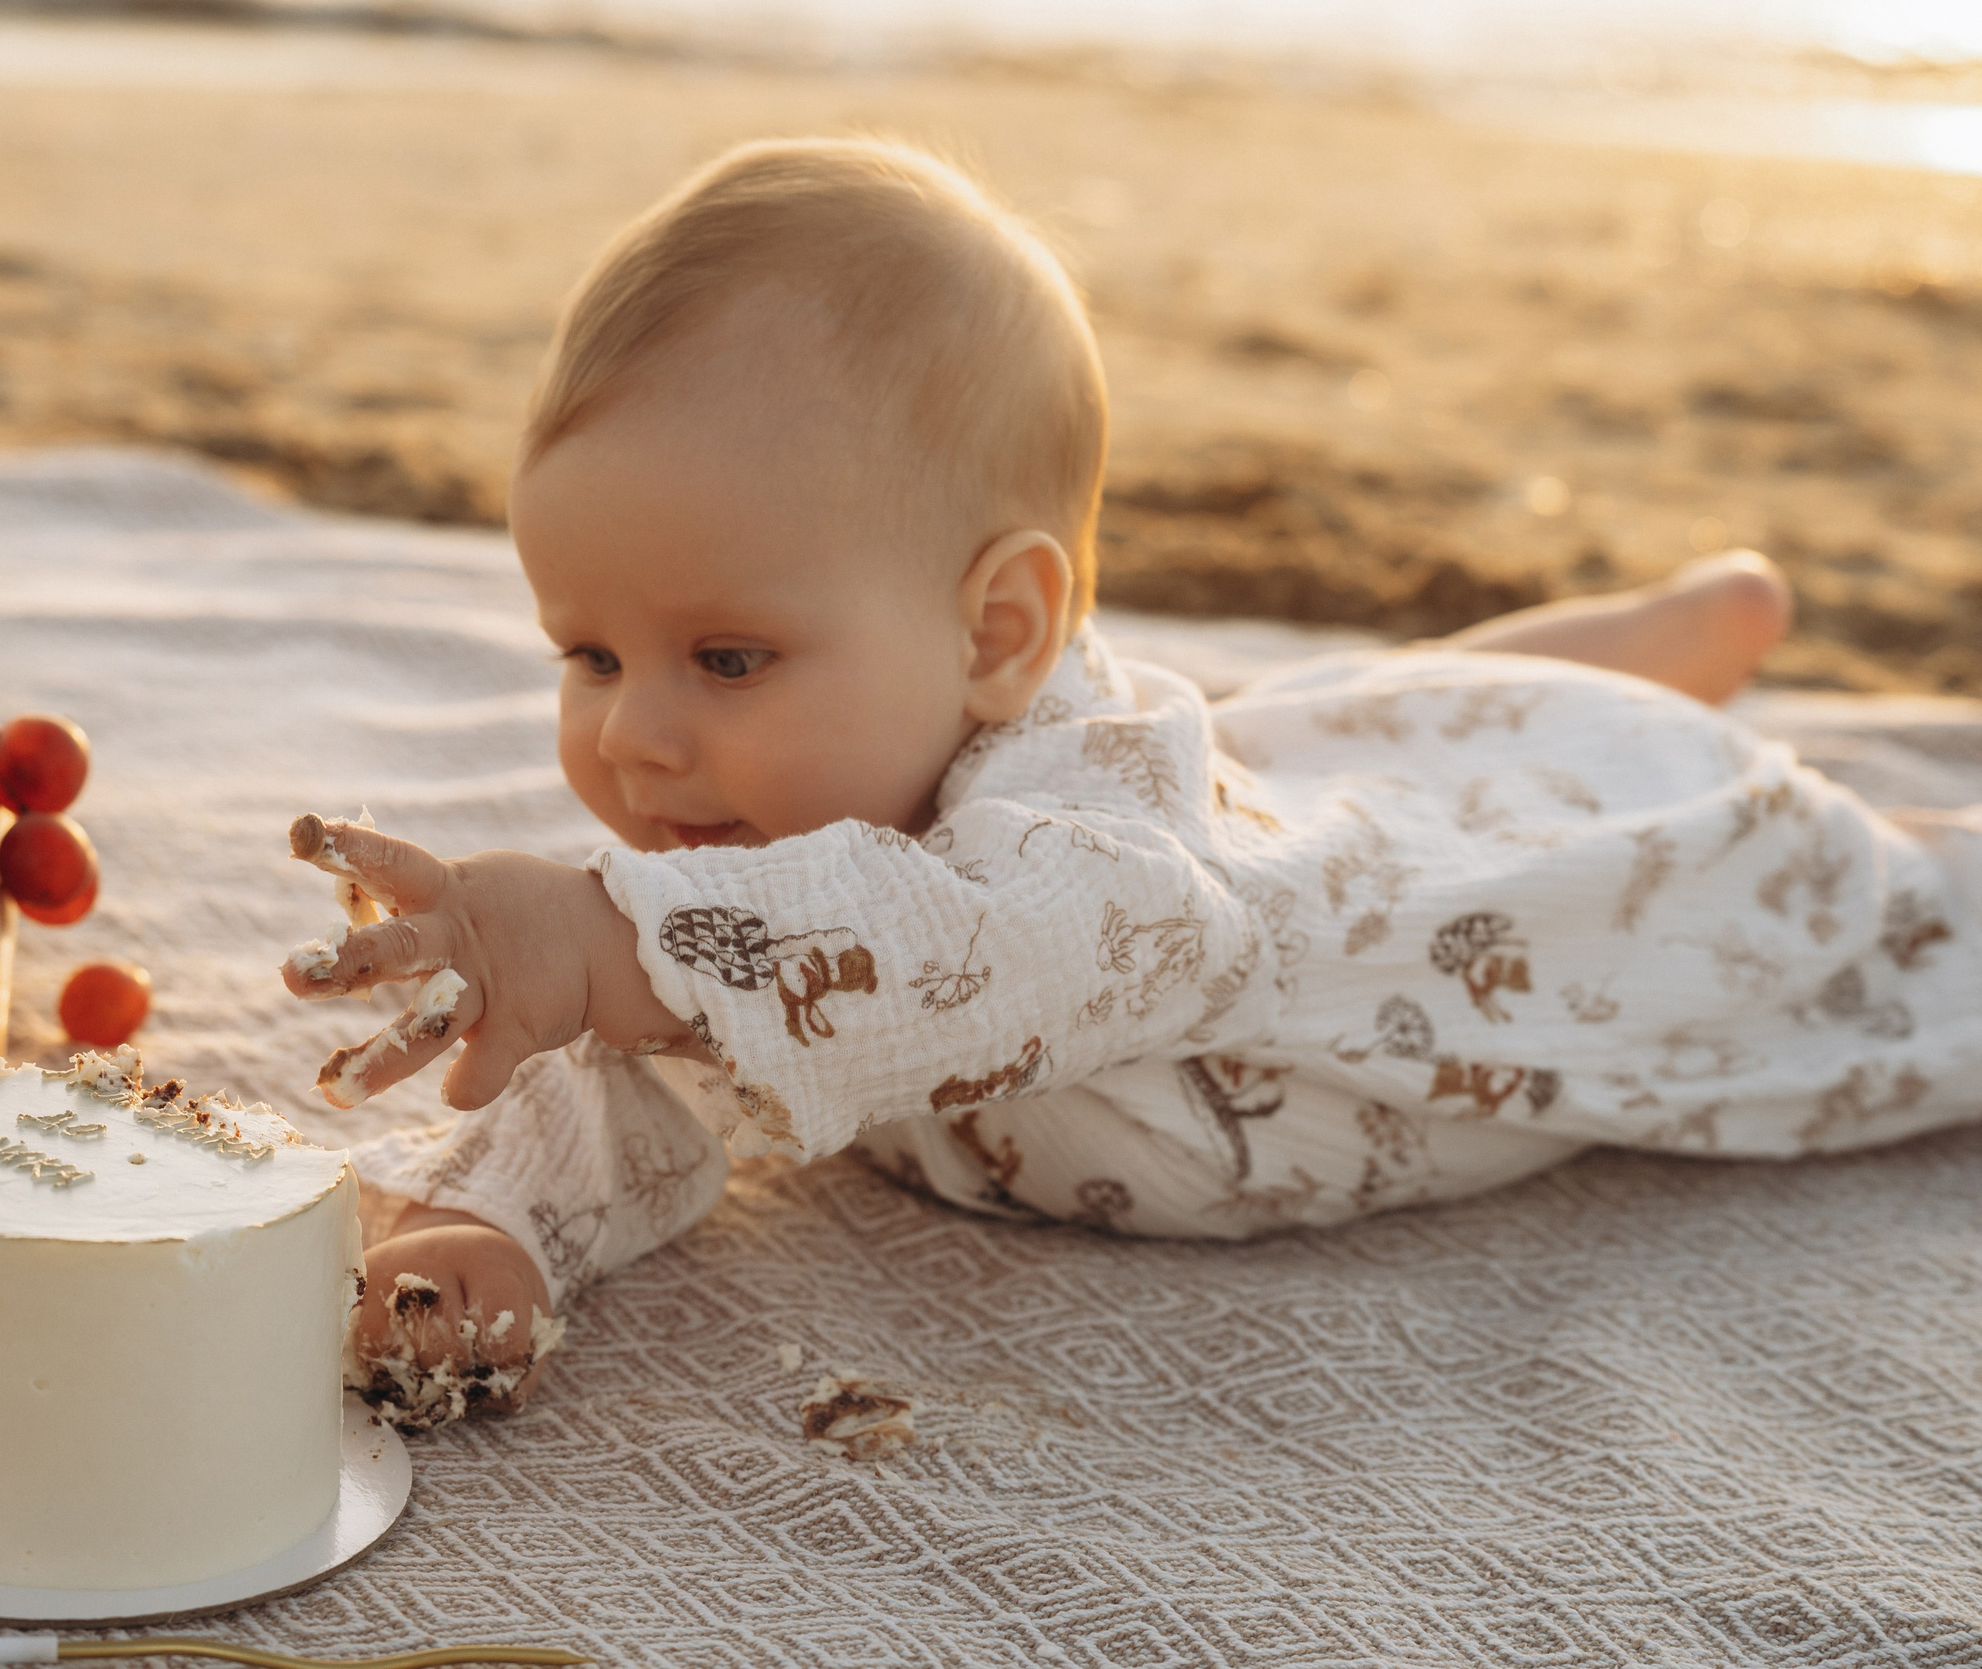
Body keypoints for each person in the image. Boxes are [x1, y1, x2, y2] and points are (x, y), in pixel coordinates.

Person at [284, 137, 1974, 1426]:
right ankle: (1595, 656)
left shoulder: (1094, 856)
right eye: (589, 655)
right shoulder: (746, 857)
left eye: (726, 660)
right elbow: (636, 1057)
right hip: (1300, 795)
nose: (635, 739)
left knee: (1847, 929)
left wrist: (602, 943)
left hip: (1559, 897)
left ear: (998, 632)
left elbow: (983, 949)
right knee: (1341, 737)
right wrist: (494, 1226)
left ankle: (1622, 687)